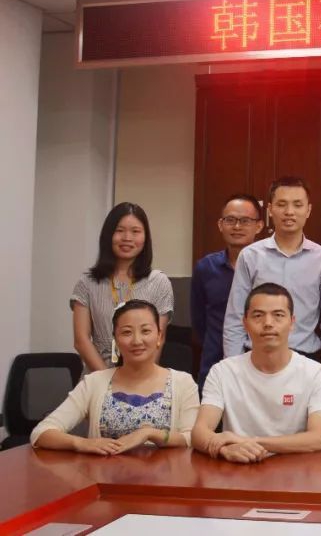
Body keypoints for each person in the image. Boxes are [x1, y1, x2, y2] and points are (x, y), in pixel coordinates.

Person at [193, 283, 321, 463]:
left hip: (296, 472)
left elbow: (319, 439)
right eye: (258, 316)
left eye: (278, 315)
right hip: (238, 468)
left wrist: (246, 442)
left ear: (292, 323)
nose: (268, 323)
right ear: (245, 323)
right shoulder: (222, 371)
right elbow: (199, 432)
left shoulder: (317, 374)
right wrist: (224, 449)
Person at [32, 300, 198, 453]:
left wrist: (149, 433)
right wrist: (82, 443)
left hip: (165, 475)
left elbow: (192, 438)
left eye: (145, 331)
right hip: (104, 473)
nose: (137, 340)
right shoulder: (94, 382)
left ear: (159, 337)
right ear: (116, 340)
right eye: (127, 332)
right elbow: (41, 433)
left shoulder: (183, 383)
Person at [222, 176, 321, 375]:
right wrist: (233, 372)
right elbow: (235, 319)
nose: (289, 212)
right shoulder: (250, 256)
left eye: (297, 205)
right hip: (256, 359)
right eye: (282, 204)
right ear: (270, 209)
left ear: (308, 210)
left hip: (306, 361)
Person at [72, 203, 174, 371]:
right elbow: (81, 340)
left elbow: (158, 340)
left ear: (145, 237)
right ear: (108, 235)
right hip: (97, 375)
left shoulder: (159, 282)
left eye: (135, 231)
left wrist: (139, 378)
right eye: (120, 231)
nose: (127, 238)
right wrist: (108, 381)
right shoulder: (87, 283)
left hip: (142, 377)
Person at [190, 194, 264, 388]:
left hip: (261, 365)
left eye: (245, 221)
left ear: (259, 226)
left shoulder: (269, 267)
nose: (237, 226)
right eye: (230, 220)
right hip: (214, 363)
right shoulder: (205, 268)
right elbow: (199, 322)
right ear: (220, 225)